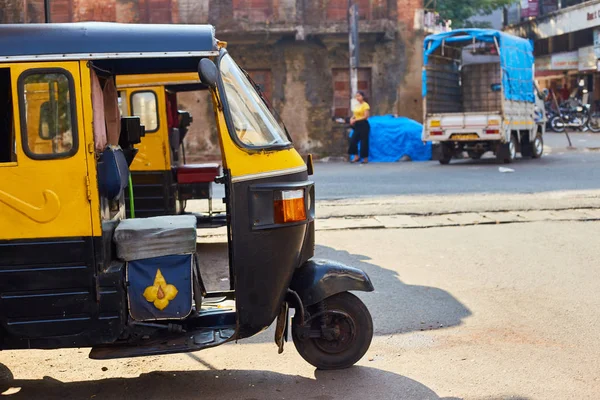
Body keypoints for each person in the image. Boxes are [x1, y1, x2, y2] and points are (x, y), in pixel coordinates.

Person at [348, 91, 371, 164]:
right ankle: (356, 156)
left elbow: (365, 116)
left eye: (359, 96)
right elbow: (355, 114)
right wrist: (352, 119)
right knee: (353, 140)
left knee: (364, 142)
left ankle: (365, 158)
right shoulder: (356, 105)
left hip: (363, 124)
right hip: (357, 125)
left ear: (363, 97)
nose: (358, 98)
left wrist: (356, 119)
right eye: (356, 96)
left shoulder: (365, 105)